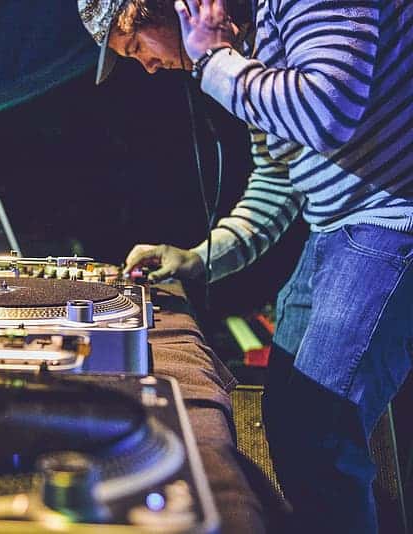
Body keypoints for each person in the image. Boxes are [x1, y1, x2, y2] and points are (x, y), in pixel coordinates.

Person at [78, 0, 413, 532]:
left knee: (320, 432)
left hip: (391, 221)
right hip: (334, 229)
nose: (146, 65)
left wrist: (213, 59)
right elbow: (280, 179)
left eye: (136, 46)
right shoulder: (247, 47)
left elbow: (328, 109)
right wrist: (197, 257)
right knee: (290, 423)